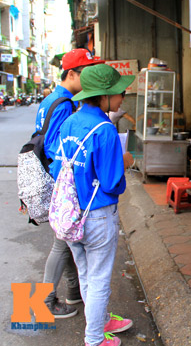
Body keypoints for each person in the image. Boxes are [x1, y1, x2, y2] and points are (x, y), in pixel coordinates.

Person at [49, 64, 135, 346]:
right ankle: (95, 338)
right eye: (119, 92)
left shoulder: (69, 123)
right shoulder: (105, 130)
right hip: (98, 216)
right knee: (98, 279)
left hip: (71, 215)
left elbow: (58, 166)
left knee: (86, 274)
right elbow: (112, 183)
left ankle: (97, 323)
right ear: (104, 96)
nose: (123, 97)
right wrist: (125, 163)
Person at [36, 49, 104, 318]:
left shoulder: (51, 99)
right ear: (72, 74)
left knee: (67, 239)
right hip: (62, 181)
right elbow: (58, 146)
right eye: (86, 73)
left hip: (56, 178)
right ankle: (46, 299)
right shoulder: (64, 103)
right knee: (62, 242)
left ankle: (74, 292)